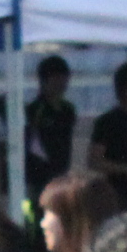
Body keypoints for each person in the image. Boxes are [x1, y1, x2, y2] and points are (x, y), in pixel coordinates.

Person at [22, 53, 79, 198]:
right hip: (39, 177)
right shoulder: (35, 110)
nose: (61, 84)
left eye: (63, 79)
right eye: (55, 79)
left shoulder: (68, 110)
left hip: (62, 172)